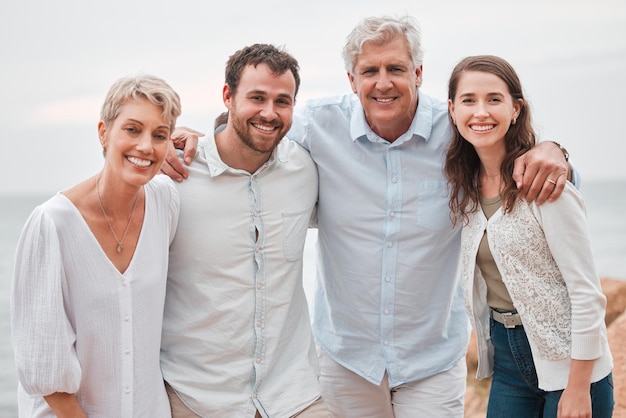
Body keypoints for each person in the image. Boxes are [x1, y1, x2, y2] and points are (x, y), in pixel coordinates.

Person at [164, 15, 574, 418]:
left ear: (417, 73)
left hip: (429, 361)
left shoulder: (457, 132)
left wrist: (555, 151)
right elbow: (259, 130)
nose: (382, 82)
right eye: (369, 71)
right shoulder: (318, 126)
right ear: (351, 80)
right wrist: (198, 137)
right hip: (346, 361)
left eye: (395, 68)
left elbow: (522, 161)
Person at [160, 44, 329, 418]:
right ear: (227, 96)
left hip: (293, 395)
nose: (269, 113)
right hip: (196, 396)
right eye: (257, 98)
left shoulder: (306, 168)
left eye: (282, 101)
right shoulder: (174, 177)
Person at [445, 55, 613, 418]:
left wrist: (579, 386)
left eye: (494, 99)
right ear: (452, 109)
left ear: (516, 109)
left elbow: (586, 293)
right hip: (508, 361)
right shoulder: (465, 192)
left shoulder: (544, 185)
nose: (481, 112)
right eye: (469, 100)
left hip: (572, 364)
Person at [10, 74, 182, 417]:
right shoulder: (52, 224)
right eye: (132, 129)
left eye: (159, 135)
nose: (146, 146)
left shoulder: (166, 202)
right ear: (104, 132)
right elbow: (45, 371)